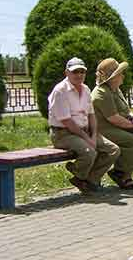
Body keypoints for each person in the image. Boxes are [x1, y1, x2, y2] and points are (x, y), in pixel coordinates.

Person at [48, 57, 120, 193]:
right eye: (75, 72)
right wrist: (87, 139)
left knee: (113, 150)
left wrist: (93, 135)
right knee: (89, 152)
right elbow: (67, 121)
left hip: (84, 131)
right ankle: (78, 172)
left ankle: (88, 180)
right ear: (66, 73)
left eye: (82, 72)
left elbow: (91, 115)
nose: (79, 75)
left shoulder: (86, 89)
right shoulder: (60, 91)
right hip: (63, 134)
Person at [91, 58, 133, 189]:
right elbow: (113, 118)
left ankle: (122, 173)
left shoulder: (115, 89)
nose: (123, 76)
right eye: (119, 73)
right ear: (112, 78)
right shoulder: (101, 93)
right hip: (103, 130)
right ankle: (122, 174)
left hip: (116, 127)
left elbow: (126, 110)